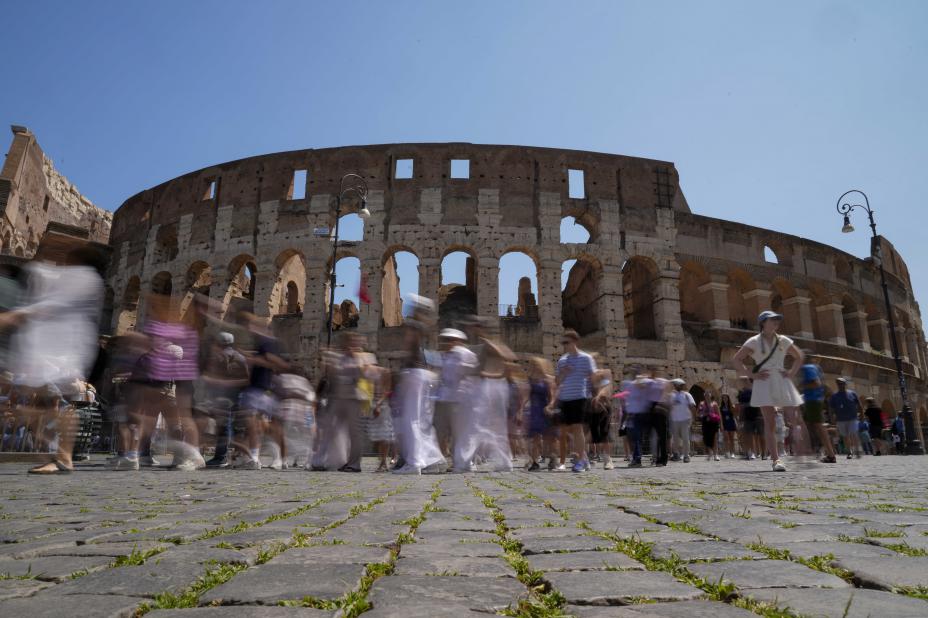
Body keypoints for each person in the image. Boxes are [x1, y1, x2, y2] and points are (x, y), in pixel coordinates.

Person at [0, 245, 104, 474]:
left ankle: (63, 457)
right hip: (52, 348)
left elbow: (55, 305)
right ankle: (58, 455)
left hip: (63, 350)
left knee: (57, 403)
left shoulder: (86, 277)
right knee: (41, 402)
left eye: (70, 257)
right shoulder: (74, 277)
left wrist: (17, 315)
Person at [732, 311, 804, 472]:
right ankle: (775, 459)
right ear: (763, 323)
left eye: (777, 320)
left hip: (780, 378)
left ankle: (801, 451)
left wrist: (791, 372)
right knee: (769, 422)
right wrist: (752, 375)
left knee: (794, 417)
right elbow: (736, 359)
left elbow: (798, 356)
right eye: (772, 320)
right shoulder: (754, 341)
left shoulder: (783, 340)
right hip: (763, 380)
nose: (776, 322)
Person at [201, 331, 249, 468]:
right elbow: (246, 379)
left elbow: (210, 378)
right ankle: (227, 456)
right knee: (228, 427)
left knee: (222, 427)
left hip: (220, 395)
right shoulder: (240, 357)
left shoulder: (217, 357)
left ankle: (221, 457)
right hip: (235, 396)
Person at [552, 329, 596, 473]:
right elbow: (557, 382)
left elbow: (593, 378)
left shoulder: (586, 358)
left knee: (577, 429)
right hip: (564, 398)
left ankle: (580, 461)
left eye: (566, 342)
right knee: (566, 431)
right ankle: (584, 457)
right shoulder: (562, 360)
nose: (564, 345)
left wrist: (593, 395)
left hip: (580, 397)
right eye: (562, 343)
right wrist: (563, 373)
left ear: (575, 341)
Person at [435, 329, 476, 457]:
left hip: (459, 398)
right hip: (444, 397)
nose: (443, 343)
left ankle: (460, 459)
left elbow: (471, 374)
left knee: (458, 432)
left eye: (446, 340)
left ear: (455, 341)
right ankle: (442, 457)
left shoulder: (466, 354)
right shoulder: (444, 356)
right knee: (440, 430)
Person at [621, 372, 670, 467]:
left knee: (659, 436)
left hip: (657, 407)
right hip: (649, 409)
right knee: (652, 436)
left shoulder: (658, 382)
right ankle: (656, 458)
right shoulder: (648, 382)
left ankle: (660, 459)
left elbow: (668, 389)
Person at [798, 360, 837, 463]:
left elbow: (816, 383)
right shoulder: (815, 367)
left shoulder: (807, 367)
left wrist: (802, 386)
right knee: (809, 426)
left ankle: (830, 454)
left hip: (813, 400)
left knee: (819, 427)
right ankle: (815, 450)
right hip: (813, 400)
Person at [524, 357, 555, 471]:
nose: (534, 366)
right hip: (534, 411)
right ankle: (534, 462)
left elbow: (552, 397)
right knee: (535, 438)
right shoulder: (530, 380)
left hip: (544, 410)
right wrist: (520, 408)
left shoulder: (547, 380)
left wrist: (550, 406)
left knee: (548, 437)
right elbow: (526, 396)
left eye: (536, 364)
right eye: (533, 364)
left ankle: (552, 457)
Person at [367, 367, 394, 472]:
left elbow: (387, 390)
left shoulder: (385, 372)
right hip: (373, 404)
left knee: (384, 434)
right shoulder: (368, 374)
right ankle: (382, 463)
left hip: (382, 406)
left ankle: (383, 463)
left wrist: (379, 404)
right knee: (378, 435)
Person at [588, 364, 615, 470]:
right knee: (592, 433)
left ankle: (608, 459)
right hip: (591, 407)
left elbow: (607, 388)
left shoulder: (605, 373)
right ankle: (588, 457)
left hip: (604, 406)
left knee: (604, 433)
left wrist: (598, 396)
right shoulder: (588, 376)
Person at [828, 378, 862, 459]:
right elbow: (831, 408)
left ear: (845, 384)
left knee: (853, 433)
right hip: (841, 419)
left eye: (842, 383)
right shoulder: (834, 396)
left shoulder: (852, 393)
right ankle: (849, 452)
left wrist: (862, 414)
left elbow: (859, 404)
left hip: (852, 418)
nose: (841, 385)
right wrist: (831, 417)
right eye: (839, 384)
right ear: (837, 385)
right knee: (845, 436)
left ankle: (857, 450)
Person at [668, 379, 696, 463]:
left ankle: (686, 455)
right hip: (674, 419)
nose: (677, 386)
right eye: (676, 385)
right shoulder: (671, 395)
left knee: (685, 438)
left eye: (679, 385)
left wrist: (694, 417)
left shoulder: (687, 395)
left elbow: (692, 405)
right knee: (675, 439)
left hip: (685, 419)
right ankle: (676, 454)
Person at [736, 377, 764, 460]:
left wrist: (763, 415)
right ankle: (751, 452)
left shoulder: (758, 391)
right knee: (749, 435)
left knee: (761, 435)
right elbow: (741, 406)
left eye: (745, 381)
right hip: (748, 416)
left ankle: (764, 452)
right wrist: (740, 418)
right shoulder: (742, 393)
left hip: (758, 415)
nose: (743, 382)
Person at [699, 392, 721, 461]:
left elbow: (718, 414)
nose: (707, 397)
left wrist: (721, 424)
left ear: (711, 396)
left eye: (708, 395)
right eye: (706, 395)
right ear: (704, 396)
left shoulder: (714, 404)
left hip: (714, 422)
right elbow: (698, 413)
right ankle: (709, 453)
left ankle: (716, 454)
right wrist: (703, 414)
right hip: (706, 422)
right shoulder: (702, 404)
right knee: (707, 438)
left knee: (715, 438)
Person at [719, 393, 738, 459]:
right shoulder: (721, 407)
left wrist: (737, 423)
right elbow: (720, 417)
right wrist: (721, 425)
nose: (725, 399)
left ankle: (732, 452)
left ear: (728, 398)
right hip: (724, 423)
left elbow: (735, 415)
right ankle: (727, 452)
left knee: (731, 439)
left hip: (731, 422)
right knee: (726, 438)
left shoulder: (731, 406)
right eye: (723, 398)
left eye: (726, 398)